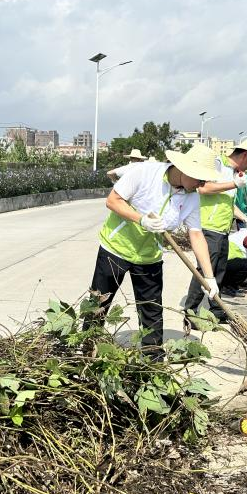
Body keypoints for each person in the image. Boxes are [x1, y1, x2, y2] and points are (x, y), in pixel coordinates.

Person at [86, 144, 220, 354]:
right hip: (115, 249)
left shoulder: (192, 197)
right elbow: (113, 201)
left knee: (152, 313)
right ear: (186, 170)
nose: (202, 184)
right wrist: (141, 220)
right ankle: (86, 352)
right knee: (98, 306)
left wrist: (209, 276)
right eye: (200, 179)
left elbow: (196, 234)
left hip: (149, 257)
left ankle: (152, 362)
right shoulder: (144, 173)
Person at [183, 139, 247, 323]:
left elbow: (228, 202)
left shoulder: (236, 174)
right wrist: (233, 184)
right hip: (208, 226)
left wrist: (244, 220)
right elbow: (203, 188)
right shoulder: (217, 164)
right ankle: (190, 312)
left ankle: (216, 312)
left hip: (222, 229)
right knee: (205, 270)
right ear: (244, 155)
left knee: (218, 271)